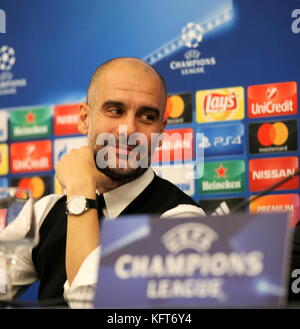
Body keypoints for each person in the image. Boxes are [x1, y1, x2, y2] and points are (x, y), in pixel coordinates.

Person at [0, 57, 205, 308]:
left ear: (160, 132)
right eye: (116, 111)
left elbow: (93, 305)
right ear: (84, 118)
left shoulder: (181, 222)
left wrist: (80, 192)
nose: (129, 130)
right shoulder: (44, 212)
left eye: (147, 116)